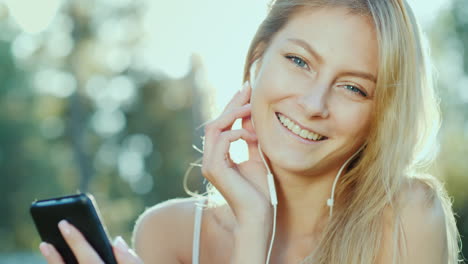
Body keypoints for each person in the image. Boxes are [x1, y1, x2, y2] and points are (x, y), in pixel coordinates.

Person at [39, 0, 461, 263]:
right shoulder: (168, 234)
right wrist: (253, 226)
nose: (314, 105)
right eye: (299, 61)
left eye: (353, 87)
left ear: (381, 113)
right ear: (260, 57)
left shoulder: (405, 217)